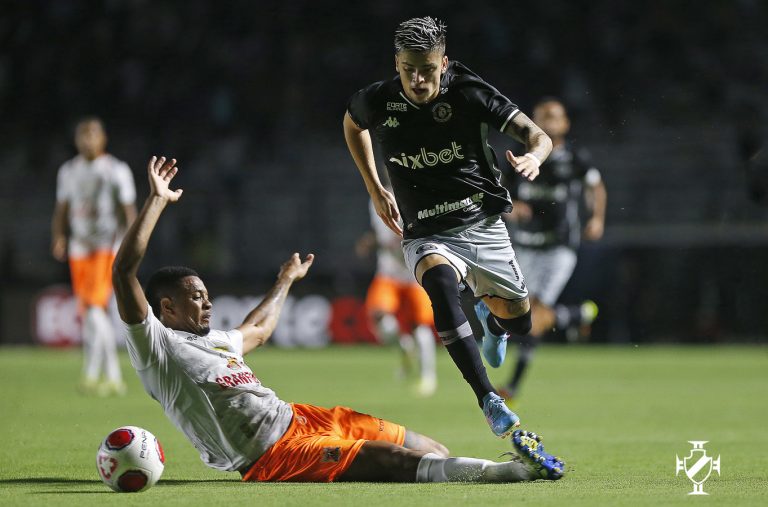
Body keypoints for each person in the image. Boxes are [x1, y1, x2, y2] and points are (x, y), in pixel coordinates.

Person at [112, 155, 565, 483]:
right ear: (165, 308)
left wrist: (286, 280)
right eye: (194, 298)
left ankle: (489, 469)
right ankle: (514, 471)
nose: (206, 304)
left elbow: (258, 330)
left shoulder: (215, 343)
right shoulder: (157, 349)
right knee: (391, 462)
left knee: (428, 450)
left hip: (302, 418)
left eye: (207, 295)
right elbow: (123, 270)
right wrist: (155, 201)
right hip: (274, 454)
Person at [343, 16, 552, 437]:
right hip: (426, 230)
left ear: (444, 62)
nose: (418, 79)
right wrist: (374, 184)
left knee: (519, 321)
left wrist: (534, 158)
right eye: (408, 69)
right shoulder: (379, 100)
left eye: (428, 69)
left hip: (482, 223)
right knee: (439, 281)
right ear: (396, 63)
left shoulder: (469, 92)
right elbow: (351, 124)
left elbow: (538, 135)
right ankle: (488, 398)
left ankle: (492, 322)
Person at [498, 98, 606, 401]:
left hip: (559, 247)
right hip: (525, 247)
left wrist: (596, 218)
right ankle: (575, 315)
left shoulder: (574, 158)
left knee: (536, 315)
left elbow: (595, 186)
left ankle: (514, 385)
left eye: (554, 117)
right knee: (521, 317)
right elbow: (499, 194)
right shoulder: (518, 156)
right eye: (542, 117)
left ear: (566, 124)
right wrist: (511, 207)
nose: (548, 122)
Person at [51, 117, 137, 395]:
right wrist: (60, 236)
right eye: (82, 135)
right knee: (90, 313)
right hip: (79, 246)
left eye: (92, 134)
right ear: (76, 140)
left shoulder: (115, 170)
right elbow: (62, 208)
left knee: (94, 308)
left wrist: (130, 243)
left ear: (103, 139)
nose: (87, 140)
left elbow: (128, 210)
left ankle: (112, 374)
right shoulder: (68, 170)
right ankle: (92, 372)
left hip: (105, 246)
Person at [356, 198, 437, 396]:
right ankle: (404, 346)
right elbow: (380, 232)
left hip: (414, 273)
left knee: (420, 325)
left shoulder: (415, 194)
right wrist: (371, 241)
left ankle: (428, 376)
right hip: (388, 274)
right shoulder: (377, 196)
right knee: (378, 318)